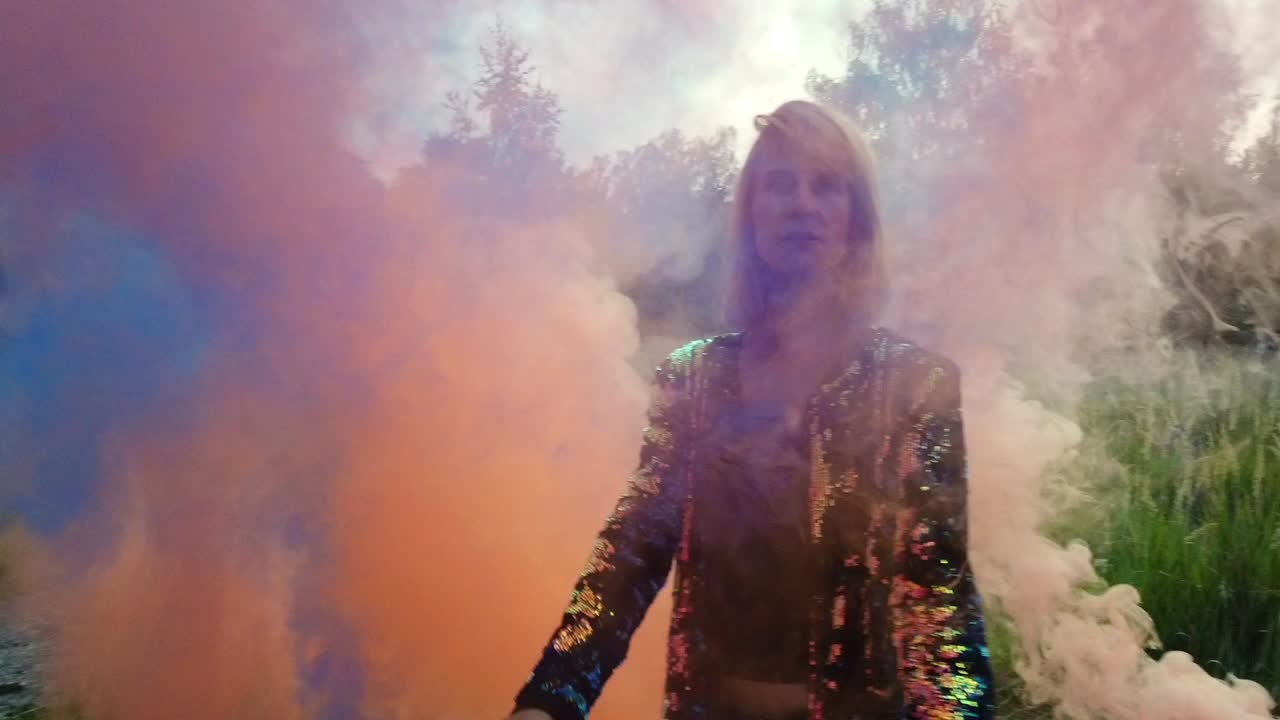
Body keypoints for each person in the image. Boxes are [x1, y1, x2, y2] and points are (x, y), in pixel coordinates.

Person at [509, 100, 994, 720]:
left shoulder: (915, 384)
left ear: (857, 219)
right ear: (751, 215)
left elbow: (936, 608)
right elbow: (631, 553)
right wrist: (551, 697)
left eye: (826, 186)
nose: (802, 204)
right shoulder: (694, 380)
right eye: (781, 184)